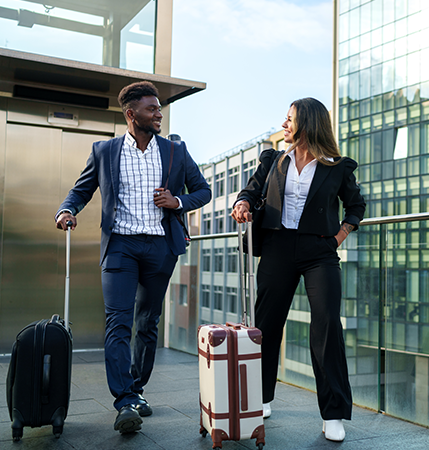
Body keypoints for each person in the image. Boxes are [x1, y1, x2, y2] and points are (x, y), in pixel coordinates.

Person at [55, 81, 211, 434]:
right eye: (152, 108)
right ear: (131, 114)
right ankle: (124, 400)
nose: (159, 114)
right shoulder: (105, 151)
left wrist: (178, 201)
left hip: (160, 247)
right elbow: (81, 190)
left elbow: (203, 190)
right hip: (121, 247)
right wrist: (66, 210)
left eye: (159, 108)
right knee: (118, 322)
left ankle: (137, 390)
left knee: (148, 322)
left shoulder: (174, 152)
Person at [231, 97, 365, 442]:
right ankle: (261, 398)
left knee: (326, 325)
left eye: (289, 119)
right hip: (276, 248)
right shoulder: (273, 160)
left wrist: (339, 236)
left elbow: (356, 206)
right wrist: (242, 202)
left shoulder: (338, 167)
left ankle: (333, 413)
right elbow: (251, 189)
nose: (284, 124)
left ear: (308, 123)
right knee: (267, 325)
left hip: (319, 252)